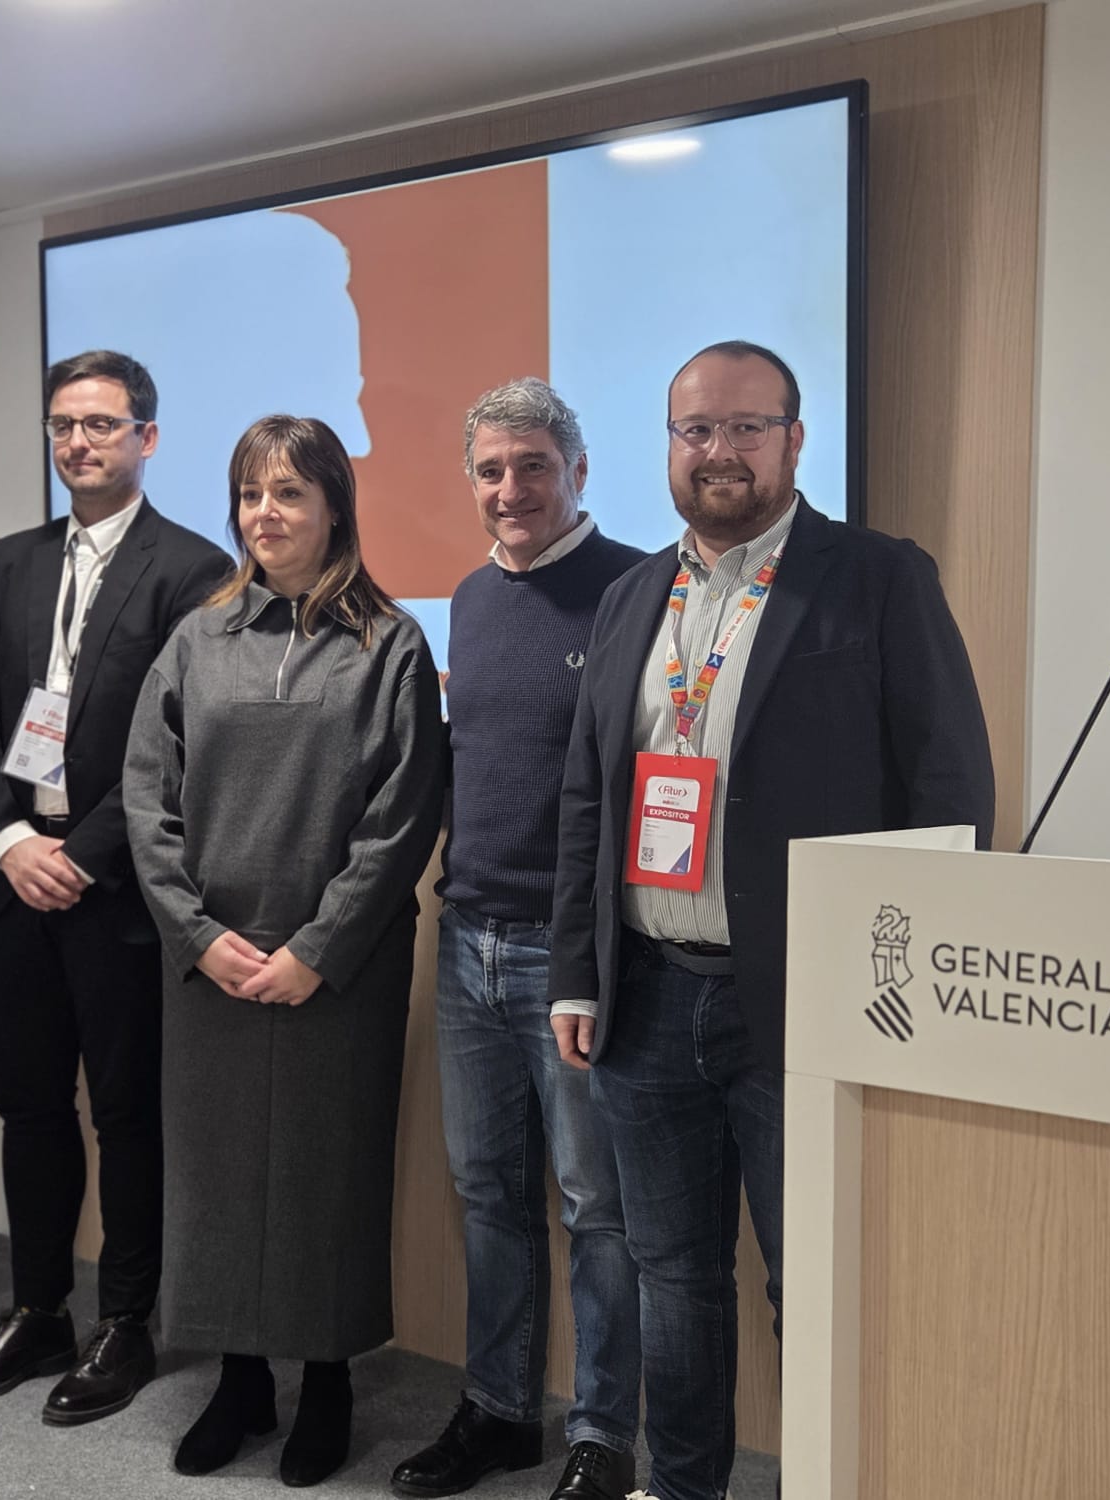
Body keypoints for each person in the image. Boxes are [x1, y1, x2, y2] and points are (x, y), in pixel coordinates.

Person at [548, 342, 994, 1500]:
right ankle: (681, 1485)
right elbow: (590, 796)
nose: (719, 452)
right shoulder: (630, 594)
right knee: (672, 1276)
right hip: (645, 995)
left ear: (795, 440)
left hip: (807, 1003)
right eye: (695, 430)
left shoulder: (876, 578)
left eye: (746, 428)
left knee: (819, 1281)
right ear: (667, 447)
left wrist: (913, 982)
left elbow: (948, 788)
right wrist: (575, 975)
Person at [124, 414, 446, 1488]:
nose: (268, 515)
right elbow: (145, 802)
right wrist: (199, 935)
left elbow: (401, 817)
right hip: (210, 969)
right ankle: (242, 1382)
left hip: (333, 973)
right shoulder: (195, 639)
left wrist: (317, 946)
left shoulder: (389, 645)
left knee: (326, 1178)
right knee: (214, 1180)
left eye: (291, 494)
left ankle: (331, 1384)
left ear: (333, 508)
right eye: (252, 494)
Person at [0, 351, 230, 1424]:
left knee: (126, 1115)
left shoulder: (192, 570)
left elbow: (182, 747)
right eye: (63, 424)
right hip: (14, 880)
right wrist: (12, 839)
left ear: (145, 437)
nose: (78, 443)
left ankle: (126, 1323)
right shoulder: (9, 566)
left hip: (114, 895)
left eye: (101, 424)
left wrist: (82, 853)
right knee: (27, 1107)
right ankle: (35, 1310)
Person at [391, 379, 645, 1500]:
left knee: (596, 1207)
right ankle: (498, 1412)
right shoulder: (467, 597)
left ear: (576, 471)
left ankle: (599, 1434)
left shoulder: (636, 589)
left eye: (531, 465)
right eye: (489, 470)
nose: (509, 490)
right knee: (487, 1191)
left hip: (573, 955)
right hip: (467, 943)